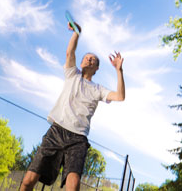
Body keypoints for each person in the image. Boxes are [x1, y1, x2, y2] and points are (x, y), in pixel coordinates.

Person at [20, 22, 125, 191]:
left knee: (73, 186)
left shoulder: (99, 89)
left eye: (92, 59)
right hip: (56, 132)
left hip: (78, 139)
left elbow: (120, 96)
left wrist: (119, 71)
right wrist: (77, 33)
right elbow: (70, 52)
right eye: (86, 57)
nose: (88, 59)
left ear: (96, 68)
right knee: (28, 181)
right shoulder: (72, 74)